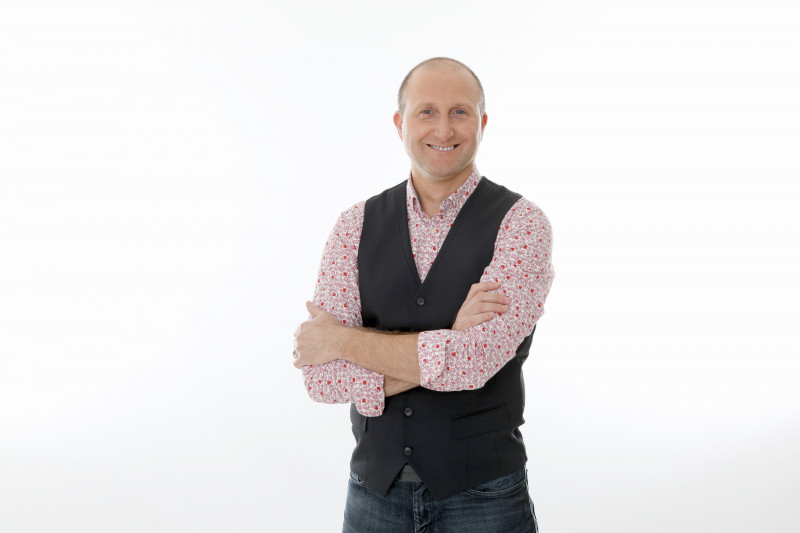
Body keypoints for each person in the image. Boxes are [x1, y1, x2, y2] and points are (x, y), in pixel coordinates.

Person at [292, 57, 554, 532]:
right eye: (427, 111)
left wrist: (343, 340)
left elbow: (474, 362)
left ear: (482, 123)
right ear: (400, 123)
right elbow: (322, 380)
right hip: (373, 495)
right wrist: (450, 338)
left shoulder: (521, 224)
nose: (444, 128)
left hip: (485, 497)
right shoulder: (354, 226)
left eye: (460, 112)